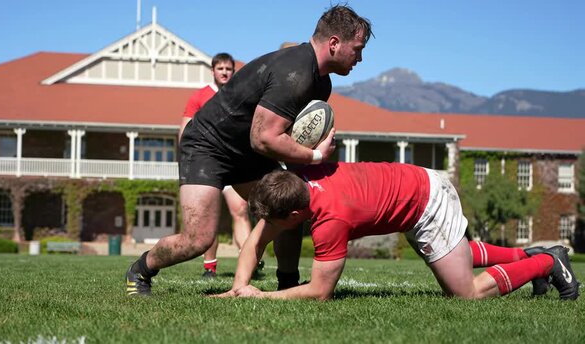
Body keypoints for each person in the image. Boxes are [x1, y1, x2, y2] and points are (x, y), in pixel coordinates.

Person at [126, 4, 373, 295]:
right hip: (209, 145)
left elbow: (280, 140)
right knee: (198, 239)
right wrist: (317, 155)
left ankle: (288, 285)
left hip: (249, 154)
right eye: (357, 48)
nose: (360, 57)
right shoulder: (296, 73)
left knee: (290, 208)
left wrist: (302, 175)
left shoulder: (321, 84)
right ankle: (140, 271)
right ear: (334, 43)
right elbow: (264, 138)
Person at [216, 162, 580, 301]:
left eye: (280, 222)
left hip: (427, 203)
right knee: (459, 252)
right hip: (416, 183)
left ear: (296, 212)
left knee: (466, 292)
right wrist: (238, 287)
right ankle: (527, 256)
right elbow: (258, 238)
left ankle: (547, 262)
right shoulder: (298, 177)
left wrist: (259, 297)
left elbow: (319, 292)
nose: (275, 230)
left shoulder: (331, 221)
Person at [178, 52, 262, 279]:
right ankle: (209, 267)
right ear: (213, 71)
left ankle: (250, 261)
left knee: (241, 211)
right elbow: (185, 130)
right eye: (220, 68)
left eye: (228, 69)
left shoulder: (240, 94)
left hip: (234, 164)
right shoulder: (199, 97)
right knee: (207, 218)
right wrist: (186, 162)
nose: (224, 72)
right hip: (207, 164)